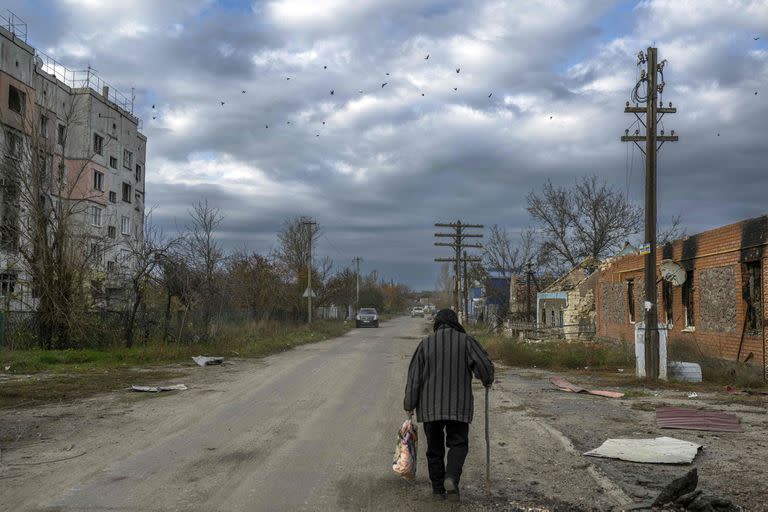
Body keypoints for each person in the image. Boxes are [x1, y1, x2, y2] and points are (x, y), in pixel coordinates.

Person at [403, 308, 494, 502]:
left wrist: (409, 403)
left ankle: (438, 490)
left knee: (434, 449)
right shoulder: (466, 341)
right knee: (458, 444)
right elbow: (484, 364)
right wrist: (486, 379)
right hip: (458, 406)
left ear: (437, 324)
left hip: (429, 408)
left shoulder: (425, 344)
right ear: (455, 323)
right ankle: (451, 478)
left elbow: (414, 378)